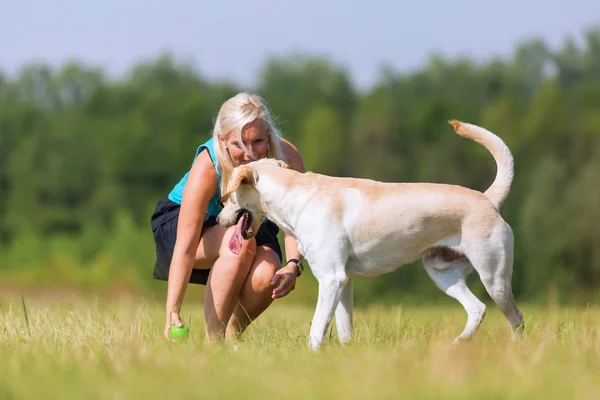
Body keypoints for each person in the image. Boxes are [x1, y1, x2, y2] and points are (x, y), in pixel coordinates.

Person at [150, 92, 306, 342]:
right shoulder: (208, 166)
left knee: (268, 275)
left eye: (257, 141)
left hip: (249, 221)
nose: (250, 154)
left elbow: (295, 220)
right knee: (241, 242)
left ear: (268, 135)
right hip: (188, 228)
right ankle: (214, 344)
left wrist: (293, 264)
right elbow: (186, 245)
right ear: (222, 140)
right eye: (238, 145)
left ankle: (231, 337)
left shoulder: (286, 158)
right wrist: (172, 311)